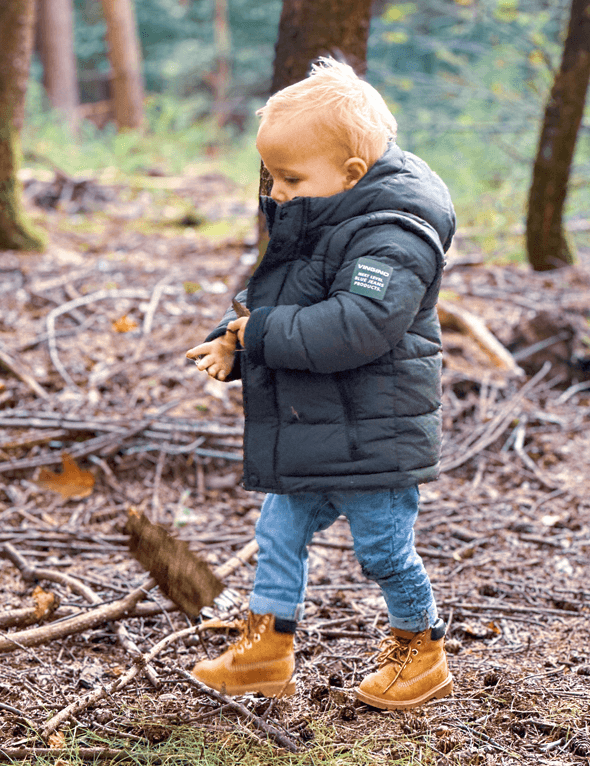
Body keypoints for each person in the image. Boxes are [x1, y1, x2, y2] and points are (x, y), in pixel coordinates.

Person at [186, 57, 456, 710]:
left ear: (351, 174)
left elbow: (355, 327)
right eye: (272, 176)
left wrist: (259, 334)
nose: (276, 192)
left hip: (373, 437)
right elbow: (275, 296)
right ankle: (268, 651)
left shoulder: (393, 237)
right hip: (317, 429)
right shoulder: (320, 212)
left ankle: (420, 650)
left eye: (289, 177)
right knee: (278, 532)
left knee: (384, 551)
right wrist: (235, 339)